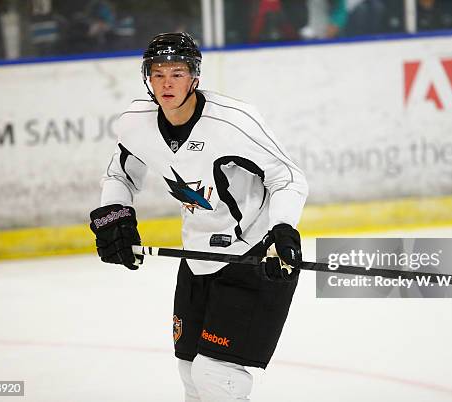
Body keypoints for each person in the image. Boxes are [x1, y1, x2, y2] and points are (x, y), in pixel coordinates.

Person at [89, 32, 308, 401]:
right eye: (158, 74)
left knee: (216, 374)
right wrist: (116, 217)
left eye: (177, 73)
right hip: (197, 256)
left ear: (195, 77)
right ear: (147, 77)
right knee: (190, 371)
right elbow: (119, 175)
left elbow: (287, 177)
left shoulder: (233, 122)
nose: (167, 83)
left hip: (253, 255)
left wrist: (283, 228)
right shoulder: (136, 122)